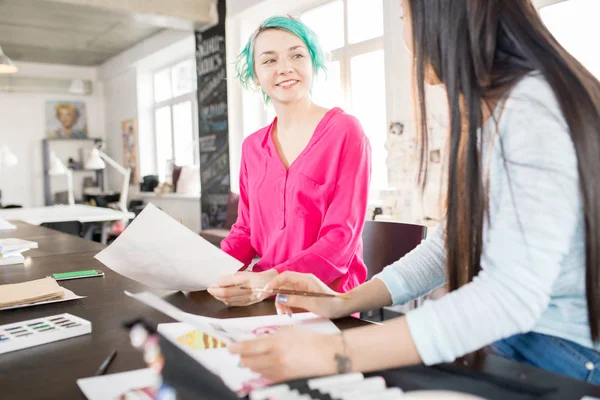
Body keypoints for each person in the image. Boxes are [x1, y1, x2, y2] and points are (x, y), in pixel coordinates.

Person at [228, 0, 600, 385]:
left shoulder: (532, 112)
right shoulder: (499, 112)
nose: (407, 37)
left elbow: (508, 297)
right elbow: (447, 244)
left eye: (406, 17)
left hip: (565, 356)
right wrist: (346, 301)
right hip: (522, 343)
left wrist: (331, 353)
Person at [208, 15, 371, 307]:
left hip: (328, 301)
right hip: (264, 299)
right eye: (269, 60)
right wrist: (204, 270)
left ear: (312, 62)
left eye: (297, 54)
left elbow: (341, 238)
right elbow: (245, 231)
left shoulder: (346, 131)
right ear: (256, 75)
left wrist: (268, 280)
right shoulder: (252, 147)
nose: (285, 68)